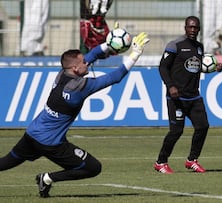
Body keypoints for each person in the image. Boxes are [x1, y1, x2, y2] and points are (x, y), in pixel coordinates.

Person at [0, 32, 149, 197]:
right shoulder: (79, 88)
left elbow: (92, 55)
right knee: (92, 167)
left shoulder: (63, 73)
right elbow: (115, 77)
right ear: (75, 68)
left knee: (6, 162)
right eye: (83, 62)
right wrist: (135, 54)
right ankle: (48, 178)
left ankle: (46, 179)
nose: (87, 62)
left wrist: (108, 44)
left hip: (32, 134)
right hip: (51, 143)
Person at [154, 16, 222, 174]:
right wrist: (170, 86)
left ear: (199, 29)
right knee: (176, 131)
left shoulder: (199, 47)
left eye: (196, 28)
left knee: (203, 126)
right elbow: (163, 67)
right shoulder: (175, 45)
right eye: (190, 27)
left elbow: (195, 66)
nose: (193, 30)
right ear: (185, 27)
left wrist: (215, 67)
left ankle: (192, 160)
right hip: (176, 97)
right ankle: (161, 162)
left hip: (194, 97)